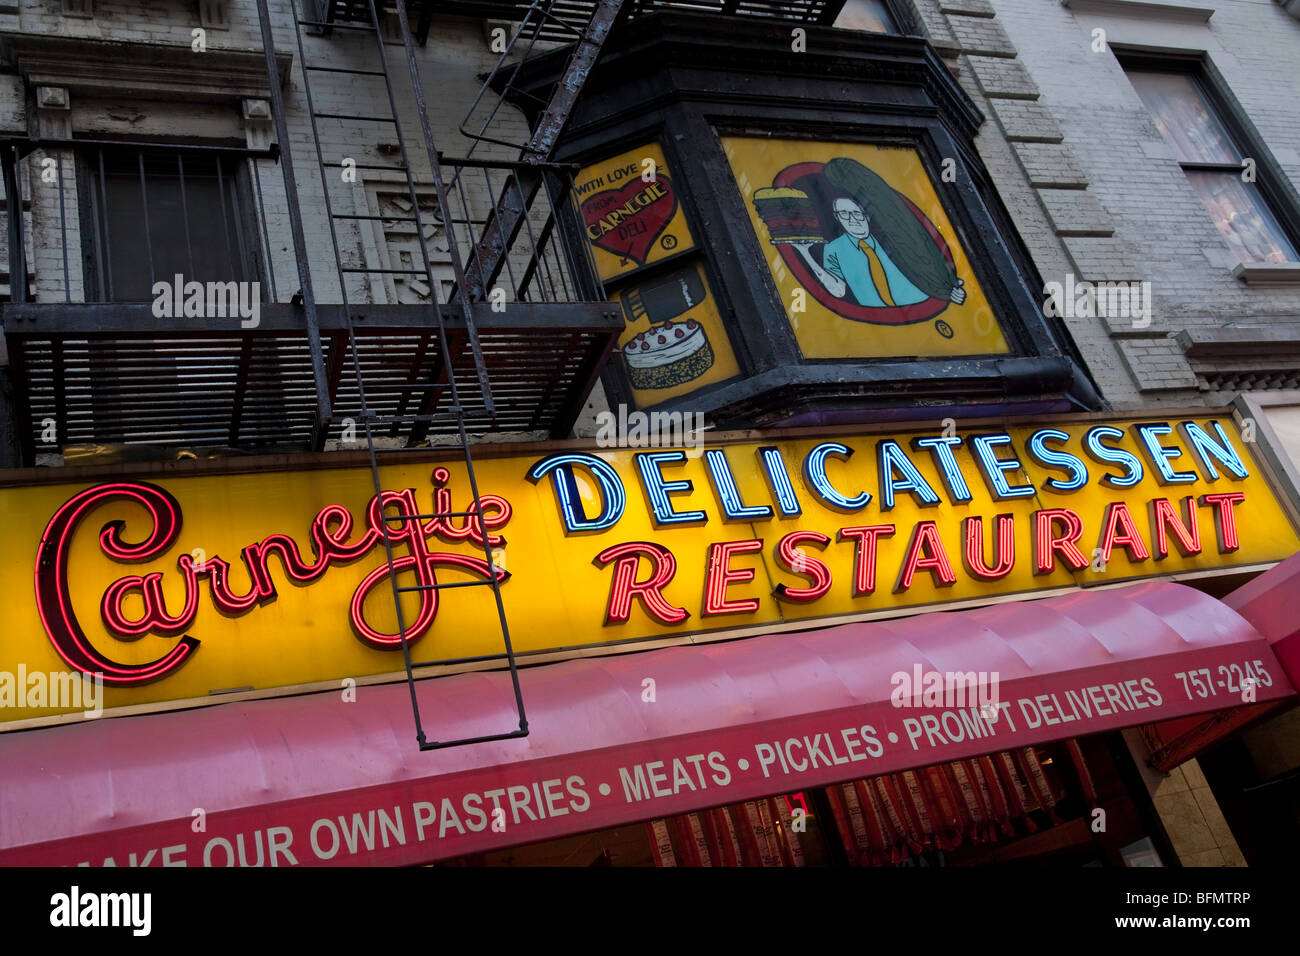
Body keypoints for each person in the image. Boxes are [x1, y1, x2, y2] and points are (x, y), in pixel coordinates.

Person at [791, 196, 966, 308]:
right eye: (844, 214)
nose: (852, 220)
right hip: (879, 319)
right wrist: (806, 254)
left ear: (866, 216)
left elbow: (929, 265)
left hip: (918, 303)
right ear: (837, 218)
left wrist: (949, 290)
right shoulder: (834, 249)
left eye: (856, 213)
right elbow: (838, 291)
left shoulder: (894, 238)